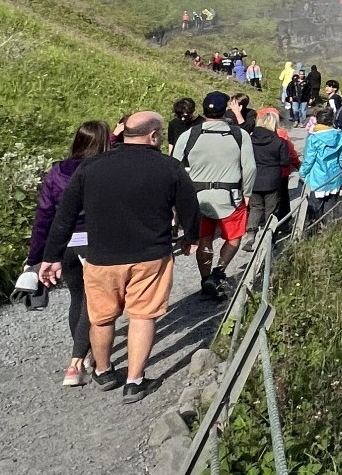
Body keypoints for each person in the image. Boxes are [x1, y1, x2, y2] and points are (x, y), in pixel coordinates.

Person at [39, 112, 200, 404]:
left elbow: (64, 215)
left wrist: (51, 256)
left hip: (102, 256)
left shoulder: (90, 167)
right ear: (153, 136)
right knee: (143, 315)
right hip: (151, 255)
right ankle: (135, 382)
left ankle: (103, 370)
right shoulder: (169, 167)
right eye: (160, 134)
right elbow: (189, 207)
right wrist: (191, 237)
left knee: (101, 317)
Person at [26, 120, 110, 387]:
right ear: (104, 142)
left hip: (63, 244)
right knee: (93, 301)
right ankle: (77, 362)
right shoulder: (105, 169)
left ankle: (83, 353)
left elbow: (44, 215)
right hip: (94, 242)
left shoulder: (57, 171)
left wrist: (36, 257)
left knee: (77, 297)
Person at [173, 92, 256, 300]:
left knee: (204, 240)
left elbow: (175, 169)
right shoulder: (239, 135)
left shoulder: (189, 135)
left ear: (203, 110)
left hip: (198, 198)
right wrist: (247, 193)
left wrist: (177, 200)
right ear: (225, 109)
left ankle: (205, 278)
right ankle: (219, 272)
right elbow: (250, 168)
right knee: (234, 238)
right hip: (231, 197)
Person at [243, 111, 297, 252]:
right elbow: (285, 161)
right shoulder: (280, 142)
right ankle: (269, 238)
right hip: (273, 180)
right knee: (271, 210)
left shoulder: (250, 140)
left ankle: (251, 234)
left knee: (256, 208)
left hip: (254, 179)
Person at [301, 108, 342, 224]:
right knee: (330, 207)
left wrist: (303, 172)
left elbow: (308, 160)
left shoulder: (314, 138)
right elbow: (341, 157)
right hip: (334, 175)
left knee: (314, 208)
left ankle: (312, 232)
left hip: (318, 177)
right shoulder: (340, 136)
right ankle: (329, 231)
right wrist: (338, 168)